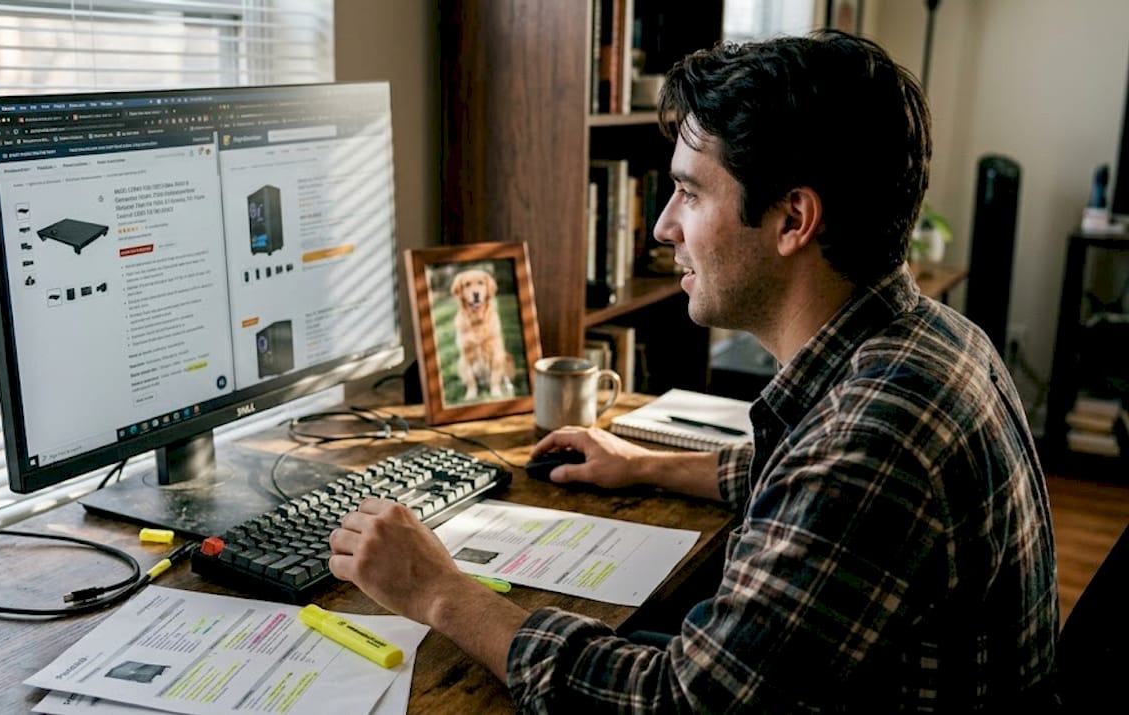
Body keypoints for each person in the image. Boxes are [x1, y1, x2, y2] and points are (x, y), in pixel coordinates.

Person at [328, 31, 1058, 711]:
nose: (662, 225)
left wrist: (439, 591)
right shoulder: (929, 339)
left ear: (793, 220)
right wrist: (644, 463)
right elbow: (798, 479)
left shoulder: (873, 442)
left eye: (691, 191)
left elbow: (679, 701)